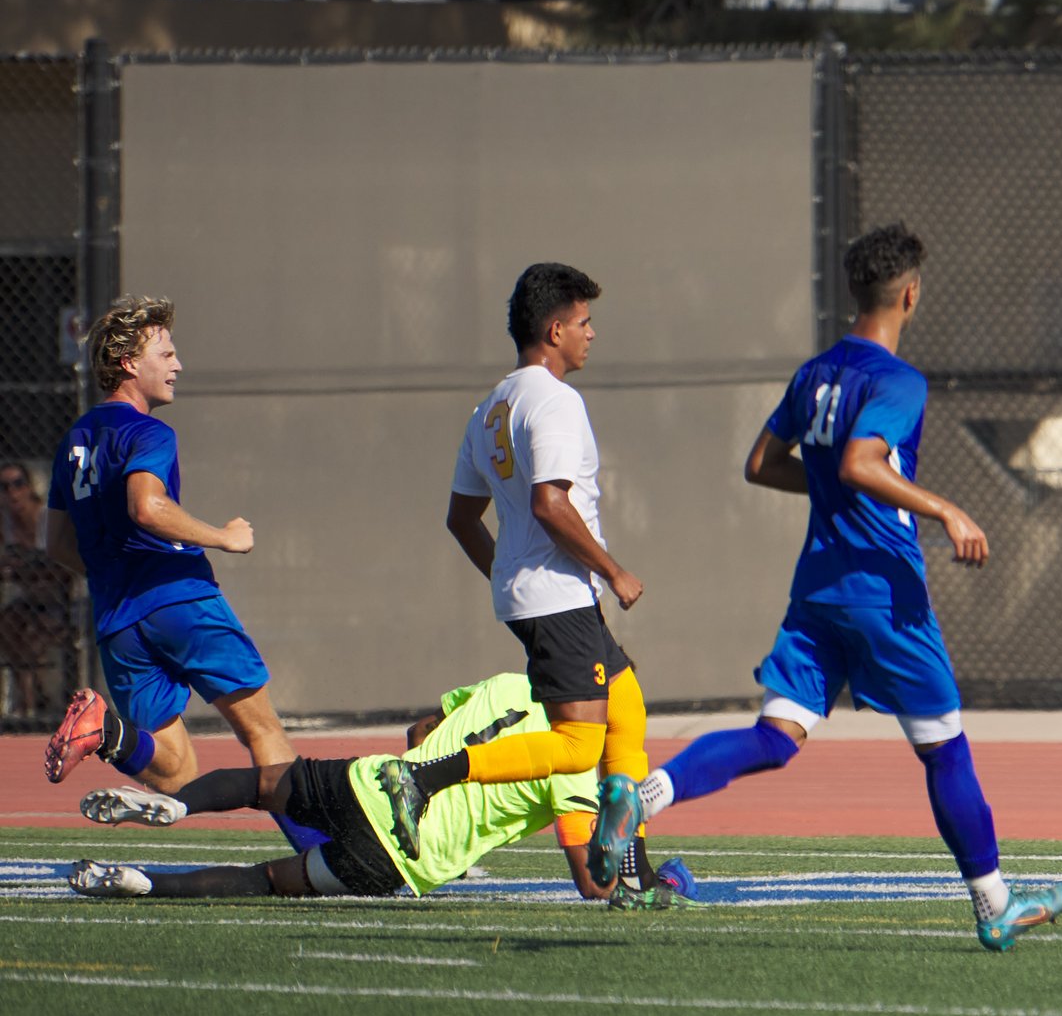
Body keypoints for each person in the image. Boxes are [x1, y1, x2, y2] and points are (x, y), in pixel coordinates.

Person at [586, 223, 1062, 951]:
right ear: (910, 295)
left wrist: (834, 486)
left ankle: (643, 795)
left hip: (817, 590)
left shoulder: (814, 372)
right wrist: (945, 508)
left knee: (774, 737)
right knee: (944, 749)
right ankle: (995, 903)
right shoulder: (899, 381)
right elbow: (858, 462)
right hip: (884, 591)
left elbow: (760, 463)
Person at [373, 263, 651, 869]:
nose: (591, 334)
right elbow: (549, 504)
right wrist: (613, 571)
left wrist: (508, 575)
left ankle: (632, 869)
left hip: (539, 595)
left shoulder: (491, 407)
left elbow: (461, 518)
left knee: (626, 708)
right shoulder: (554, 401)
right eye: (583, 322)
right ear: (555, 330)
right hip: (560, 597)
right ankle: (424, 780)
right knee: (579, 749)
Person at [41, 295, 326, 854]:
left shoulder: (75, 439)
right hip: (180, 600)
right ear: (128, 362)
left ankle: (106, 730)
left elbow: (56, 544)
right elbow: (146, 506)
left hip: (117, 621)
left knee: (175, 771)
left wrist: (113, 573)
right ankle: (321, 853)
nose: (178, 365)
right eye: (166, 353)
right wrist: (224, 537)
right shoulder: (150, 433)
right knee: (262, 732)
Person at [66, 672, 688, 908]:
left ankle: (178, 803)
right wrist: (631, 840)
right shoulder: (580, 768)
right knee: (269, 880)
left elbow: (421, 728)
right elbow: (593, 882)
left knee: (262, 783)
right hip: (402, 858)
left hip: (370, 784)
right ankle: (146, 883)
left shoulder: (511, 683)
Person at [0, 460, 74, 716]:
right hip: (28, 601)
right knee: (7, 624)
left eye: (18, 484)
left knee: (32, 637)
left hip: (62, 602)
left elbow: (63, 568)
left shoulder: (46, 518)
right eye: (5, 487)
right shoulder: (6, 524)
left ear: (30, 487)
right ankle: (29, 705)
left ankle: (35, 703)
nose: (12, 493)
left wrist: (27, 569)